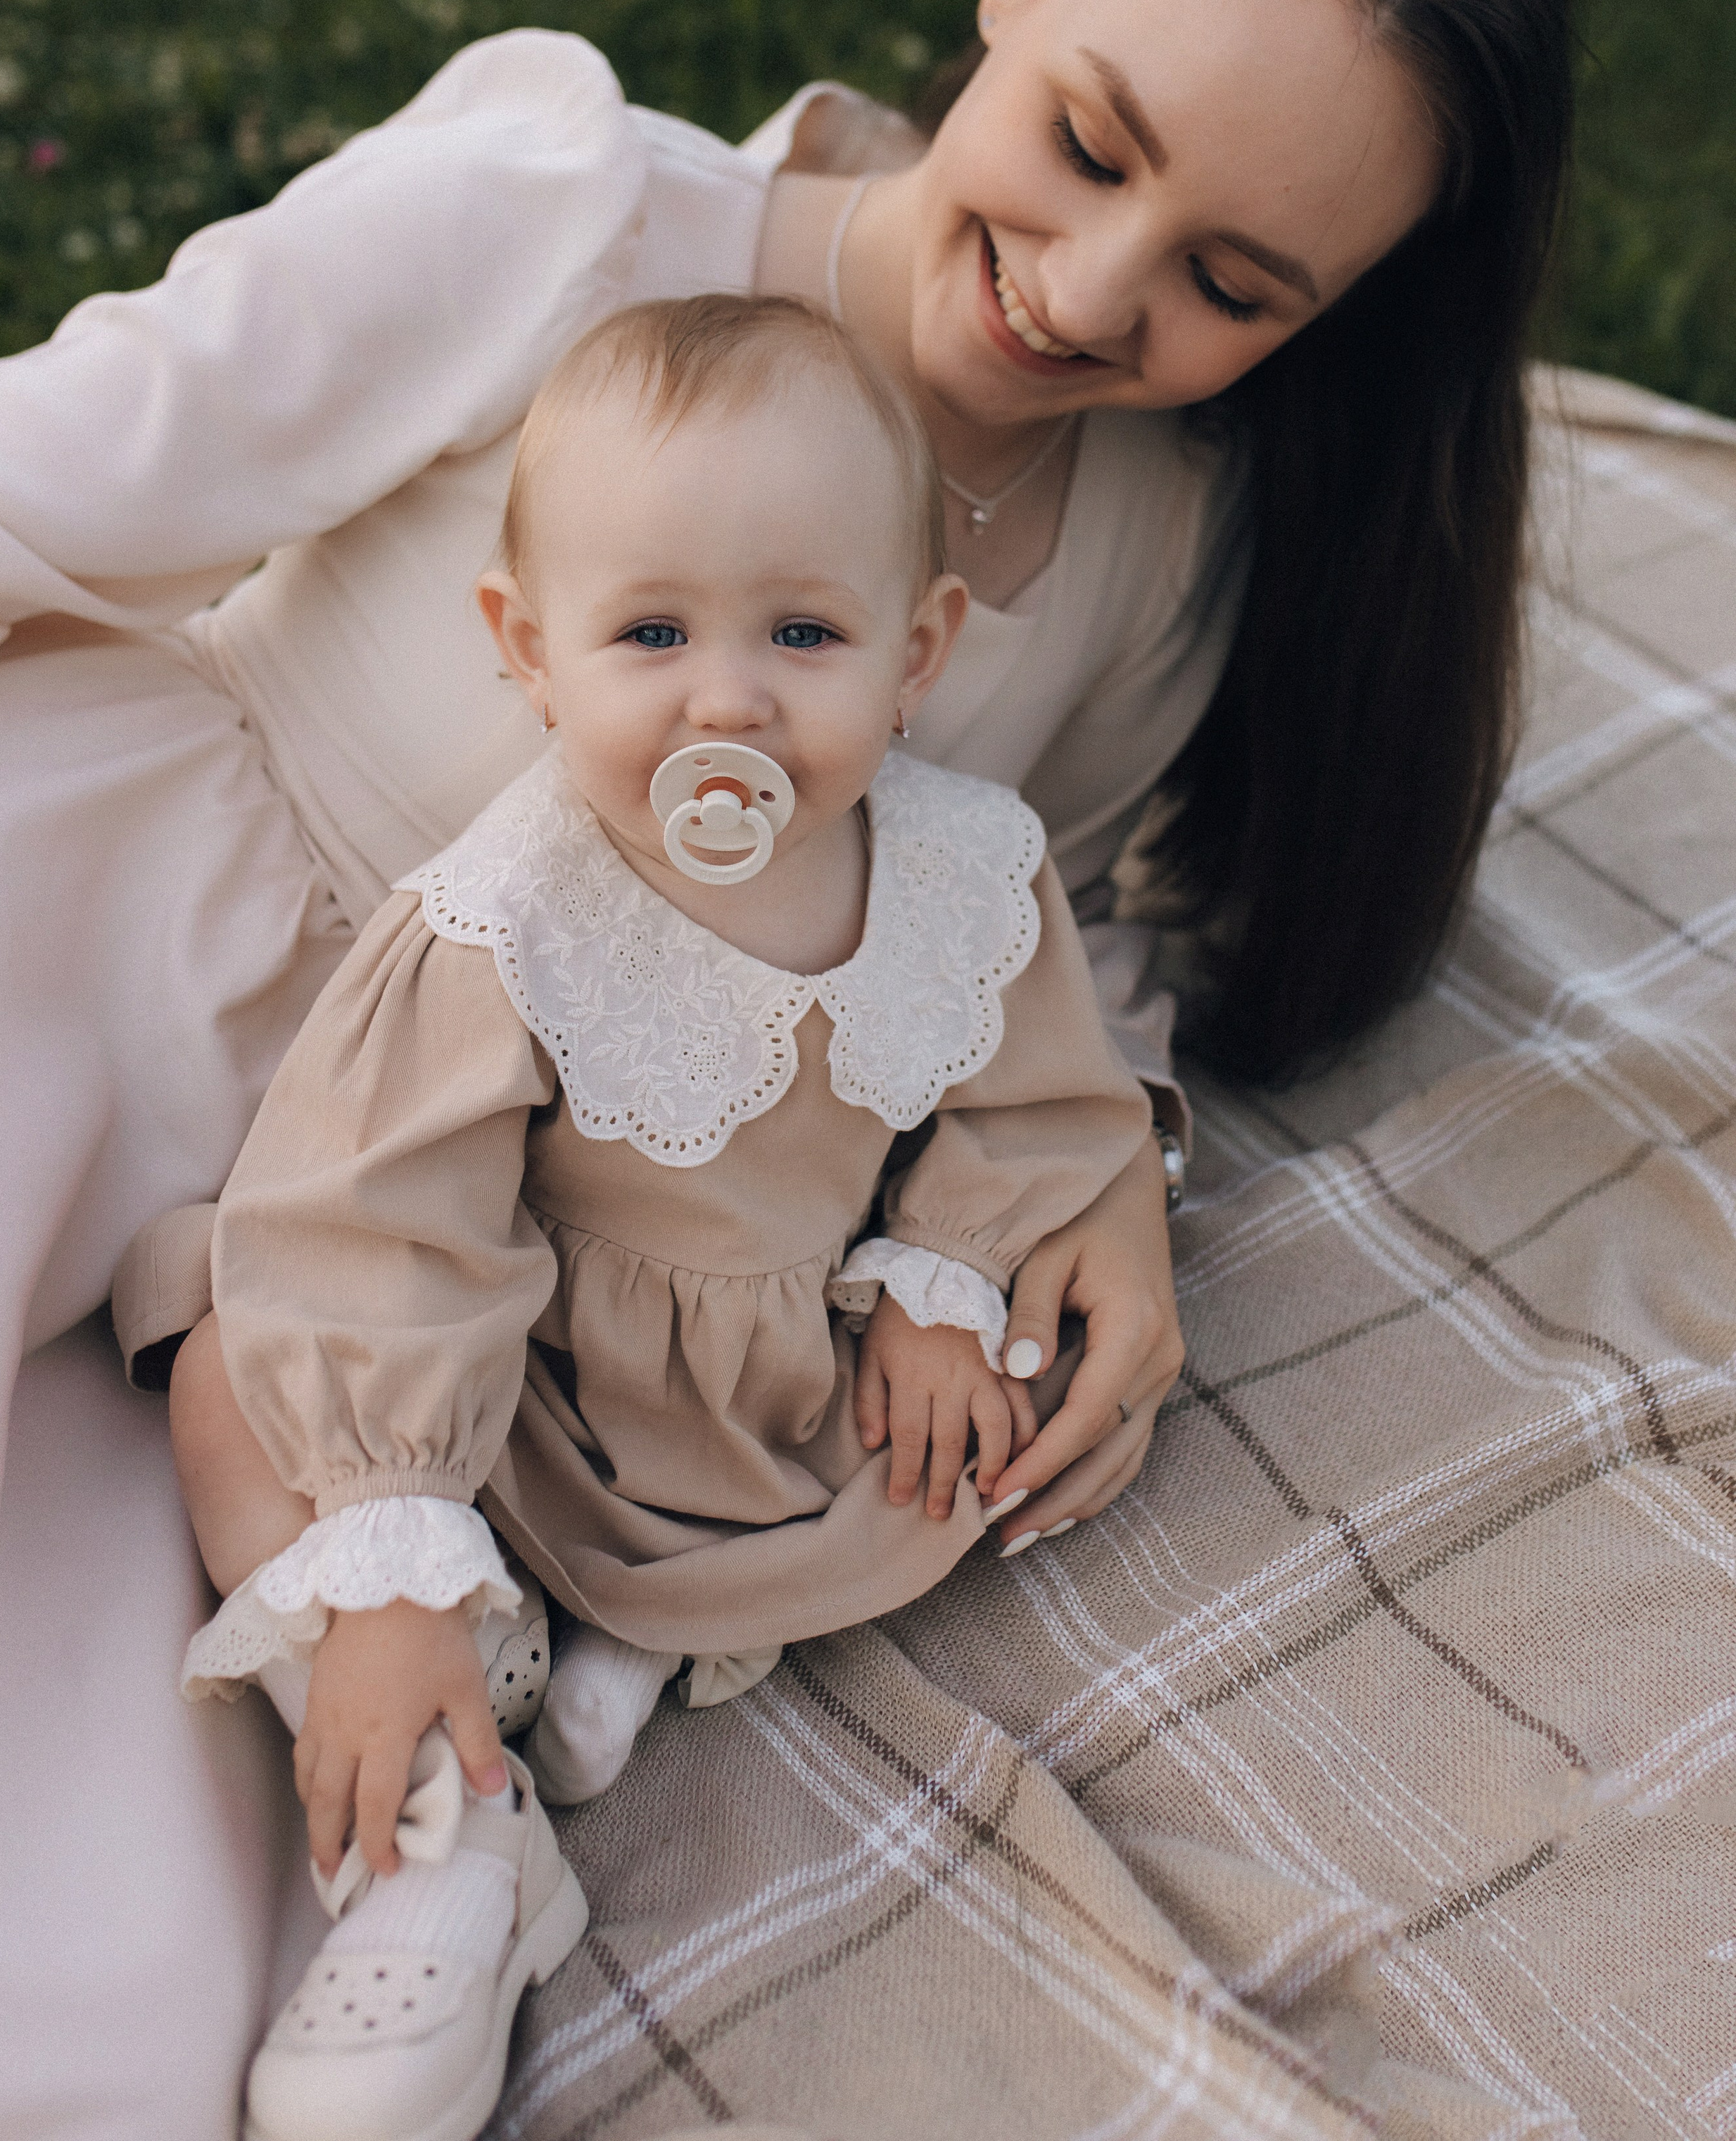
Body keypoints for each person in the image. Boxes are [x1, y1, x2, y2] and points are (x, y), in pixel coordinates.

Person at [0, 0, 1578, 2140]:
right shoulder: (578, 223)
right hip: (108, 924)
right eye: (1095, 145)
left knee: (131, 1773)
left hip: (459, 1213)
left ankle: (443, 1862)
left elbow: (1028, 917)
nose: (1093, 292)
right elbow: (28, 469)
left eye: (1236, 285)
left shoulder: (1151, 567)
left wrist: (1099, 1164)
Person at [154, 291, 1155, 2141]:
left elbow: (1032, 1103)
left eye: (802, 630)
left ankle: (632, 1638)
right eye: (652, 632)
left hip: (798, 1403)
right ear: (526, 653)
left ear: (918, 647)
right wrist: (390, 1531)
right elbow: (382, 1223)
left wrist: (947, 1283)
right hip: (523, 1399)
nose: (727, 698)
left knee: (977, 1400)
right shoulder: (506, 920)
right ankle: (453, 1818)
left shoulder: (952, 866)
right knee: (229, 1363)